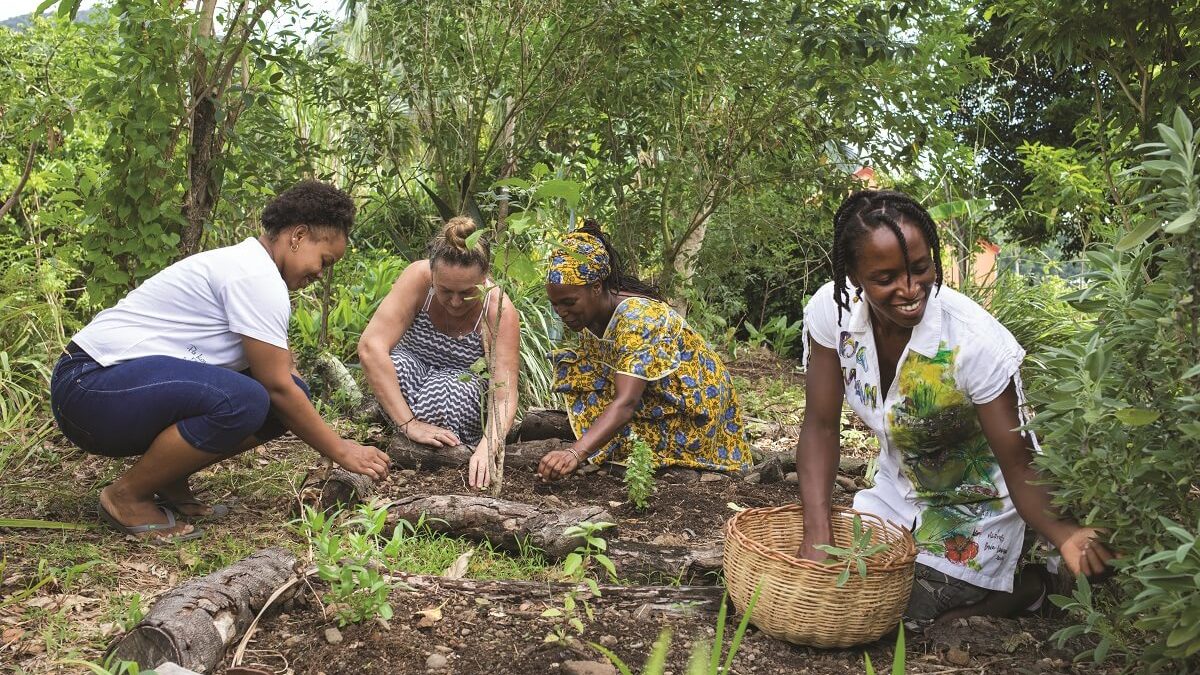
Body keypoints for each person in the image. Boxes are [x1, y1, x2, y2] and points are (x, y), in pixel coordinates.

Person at [796, 189, 1113, 623]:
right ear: (853, 276)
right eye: (886, 278)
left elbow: (1020, 464)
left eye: (920, 269)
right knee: (840, 588)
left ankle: (1029, 585)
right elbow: (820, 426)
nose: (910, 289)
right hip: (896, 495)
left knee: (893, 614)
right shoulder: (831, 315)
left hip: (978, 512)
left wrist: (1065, 534)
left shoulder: (973, 342)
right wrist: (817, 535)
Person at [50, 180, 390, 544]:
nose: (321, 274)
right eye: (324, 260)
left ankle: (164, 477)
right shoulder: (255, 276)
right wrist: (341, 449)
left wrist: (290, 380)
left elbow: (284, 375)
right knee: (251, 398)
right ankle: (126, 496)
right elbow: (276, 386)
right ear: (298, 235)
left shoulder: (253, 269)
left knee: (283, 398)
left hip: (108, 388)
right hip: (89, 386)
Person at [537, 221, 751, 481]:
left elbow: (627, 402)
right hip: (657, 395)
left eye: (569, 303)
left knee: (622, 445)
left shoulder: (638, 319)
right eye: (555, 305)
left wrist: (575, 452)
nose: (561, 313)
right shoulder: (589, 318)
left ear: (596, 287)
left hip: (697, 411)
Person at [358, 217, 520, 489]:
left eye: (467, 293)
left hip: (461, 392)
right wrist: (409, 423)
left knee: (451, 387)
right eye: (445, 291)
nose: (455, 302)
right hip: (411, 382)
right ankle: (403, 431)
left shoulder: (497, 308)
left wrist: (487, 447)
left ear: (485, 277)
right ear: (432, 274)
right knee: (396, 364)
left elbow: (504, 391)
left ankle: (434, 453)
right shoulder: (417, 278)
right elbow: (370, 346)